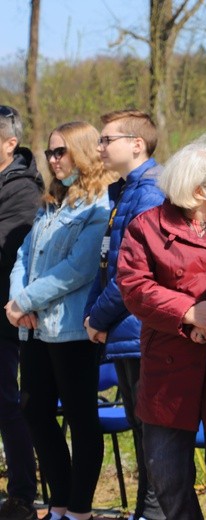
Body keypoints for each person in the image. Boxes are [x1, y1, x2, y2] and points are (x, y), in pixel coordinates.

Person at [116, 134, 206, 520]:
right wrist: (187, 312)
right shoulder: (147, 227)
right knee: (166, 475)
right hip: (168, 366)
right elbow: (134, 286)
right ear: (198, 192)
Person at [6, 121, 113, 520]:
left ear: (83, 152)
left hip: (71, 330)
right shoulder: (52, 200)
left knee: (82, 419)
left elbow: (79, 268)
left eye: (61, 152)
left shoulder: (98, 203)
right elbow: (23, 255)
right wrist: (20, 301)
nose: (53, 160)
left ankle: (79, 510)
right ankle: (60, 503)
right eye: (50, 152)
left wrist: (26, 300)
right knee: (33, 411)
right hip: (34, 327)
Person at [83, 109, 165, 520]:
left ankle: (155, 512)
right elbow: (106, 262)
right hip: (125, 328)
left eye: (106, 139)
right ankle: (145, 511)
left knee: (152, 434)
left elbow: (132, 273)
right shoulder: (127, 190)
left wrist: (97, 319)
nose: (99, 147)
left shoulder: (150, 193)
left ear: (137, 144)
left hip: (140, 329)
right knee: (142, 429)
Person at [0, 105, 43, 520]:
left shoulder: (22, 189)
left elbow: (8, 251)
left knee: (5, 403)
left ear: (10, 143)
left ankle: (21, 495)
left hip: (5, 317)